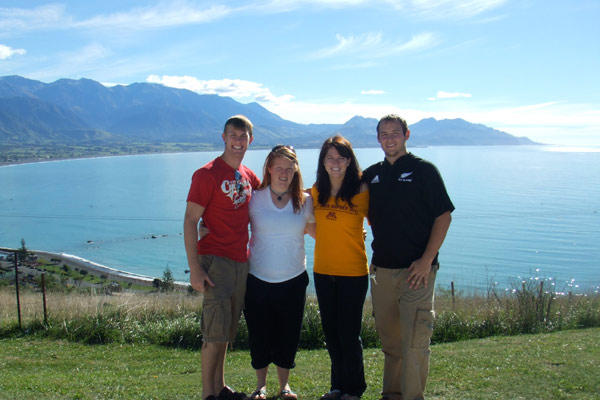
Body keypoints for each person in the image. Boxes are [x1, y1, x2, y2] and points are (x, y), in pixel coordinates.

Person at [362, 114, 454, 400]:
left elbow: (444, 216)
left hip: (417, 272)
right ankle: (391, 394)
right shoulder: (371, 175)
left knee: (414, 343)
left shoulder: (424, 170)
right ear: (378, 139)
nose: (389, 138)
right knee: (391, 342)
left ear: (406, 135)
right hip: (381, 272)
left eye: (395, 133)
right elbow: (344, 203)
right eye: (384, 134)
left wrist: (427, 260)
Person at [184, 115, 260, 400]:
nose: (239, 141)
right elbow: (191, 220)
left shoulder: (248, 176)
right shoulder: (207, 174)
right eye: (233, 136)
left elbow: (274, 197)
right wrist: (194, 269)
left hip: (241, 261)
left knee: (226, 331)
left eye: (244, 137)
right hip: (215, 262)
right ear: (224, 137)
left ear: (250, 140)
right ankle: (208, 394)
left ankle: (220, 387)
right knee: (214, 333)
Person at [244, 144, 314, 400]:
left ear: (295, 170)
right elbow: (230, 222)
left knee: (288, 334)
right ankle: (260, 387)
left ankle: (284, 386)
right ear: (269, 169)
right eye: (279, 167)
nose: (284, 173)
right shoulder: (254, 198)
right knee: (259, 334)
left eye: (289, 168)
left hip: (294, 279)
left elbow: (320, 232)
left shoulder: (306, 201)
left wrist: (352, 233)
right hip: (258, 279)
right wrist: (205, 229)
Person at [308, 135, 369, 400]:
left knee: (349, 334)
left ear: (349, 160)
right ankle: (337, 386)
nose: (335, 162)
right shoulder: (316, 190)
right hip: (323, 271)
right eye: (330, 157)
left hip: (353, 273)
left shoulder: (362, 189)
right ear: (323, 161)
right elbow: (308, 222)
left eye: (341, 157)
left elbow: (383, 220)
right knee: (331, 333)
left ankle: (354, 389)